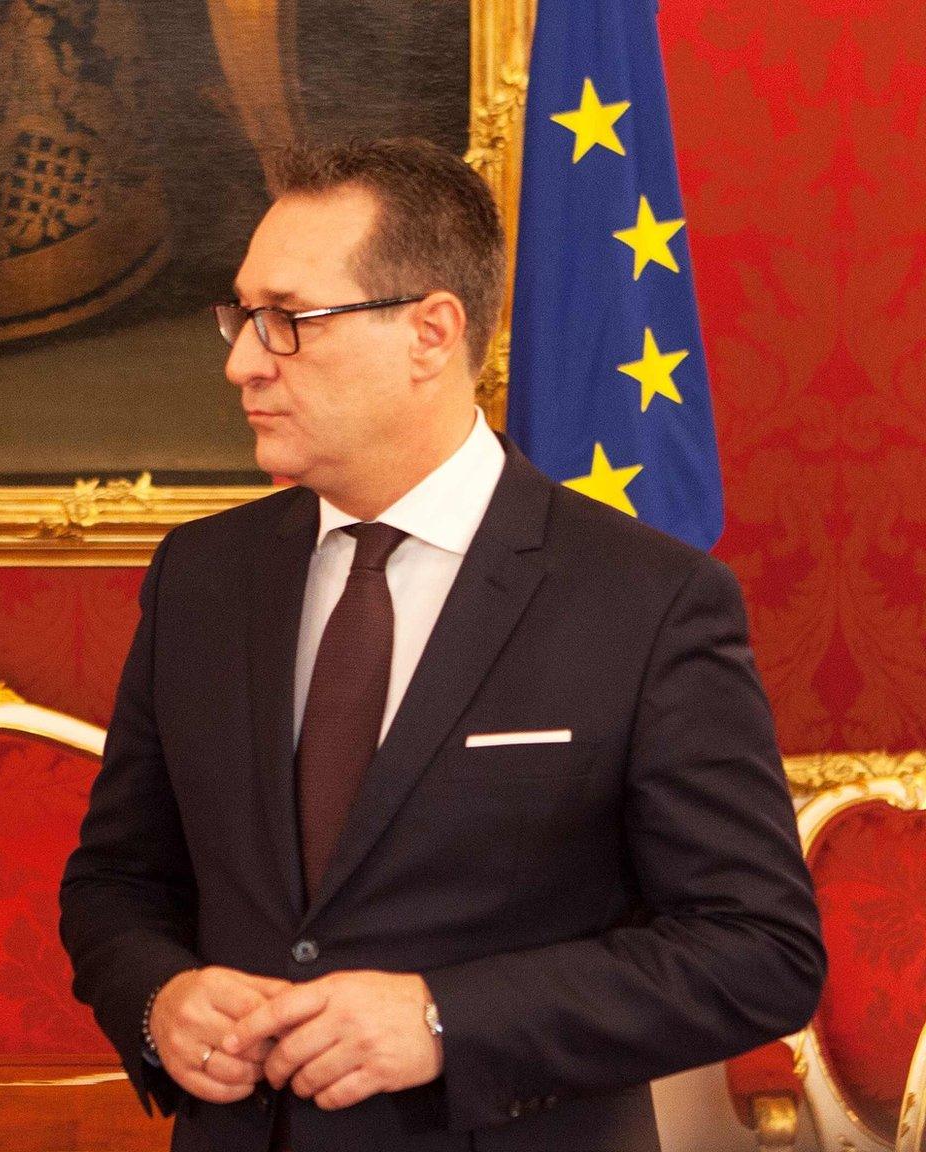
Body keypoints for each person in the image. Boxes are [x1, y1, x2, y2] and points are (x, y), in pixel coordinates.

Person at [57, 137, 822, 1151]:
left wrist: (442, 1020)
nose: (241, 358)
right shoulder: (200, 578)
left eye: (286, 319)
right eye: (240, 316)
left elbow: (756, 951)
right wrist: (158, 1002)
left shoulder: (646, 600)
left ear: (428, 332)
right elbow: (116, 882)